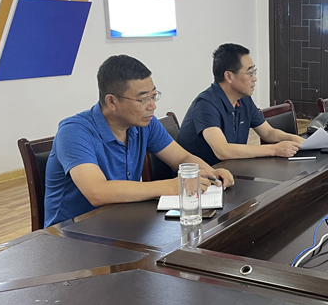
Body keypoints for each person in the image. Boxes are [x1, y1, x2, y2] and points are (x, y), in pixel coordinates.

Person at [44, 55, 234, 227]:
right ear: (111, 102)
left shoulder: (144, 124)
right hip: (71, 236)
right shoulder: (74, 131)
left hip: (122, 223)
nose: (153, 106)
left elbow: (181, 157)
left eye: (154, 96)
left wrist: (210, 173)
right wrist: (170, 186)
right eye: (143, 99)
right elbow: (97, 192)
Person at [177, 43, 305, 165]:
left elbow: (268, 133)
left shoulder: (243, 99)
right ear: (229, 76)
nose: (255, 78)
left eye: (254, 72)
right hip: (201, 176)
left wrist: (295, 139)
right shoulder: (205, 104)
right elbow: (222, 150)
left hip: (232, 169)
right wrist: (274, 149)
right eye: (250, 73)